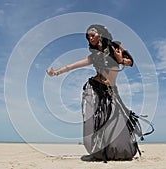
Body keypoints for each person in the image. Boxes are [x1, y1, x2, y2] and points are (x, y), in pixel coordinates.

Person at [47, 24, 153, 162]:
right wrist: (56, 72)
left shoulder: (115, 46)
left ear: (101, 34)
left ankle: (114, 151)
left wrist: (120, 60)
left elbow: (130, 62)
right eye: (88, 36)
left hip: (111, 91)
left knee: (116, 122)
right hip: (94, 88)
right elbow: (73, 65)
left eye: (93, 34)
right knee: (93, 119)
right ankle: (98, 151)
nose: (90, 38)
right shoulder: (93, 56)